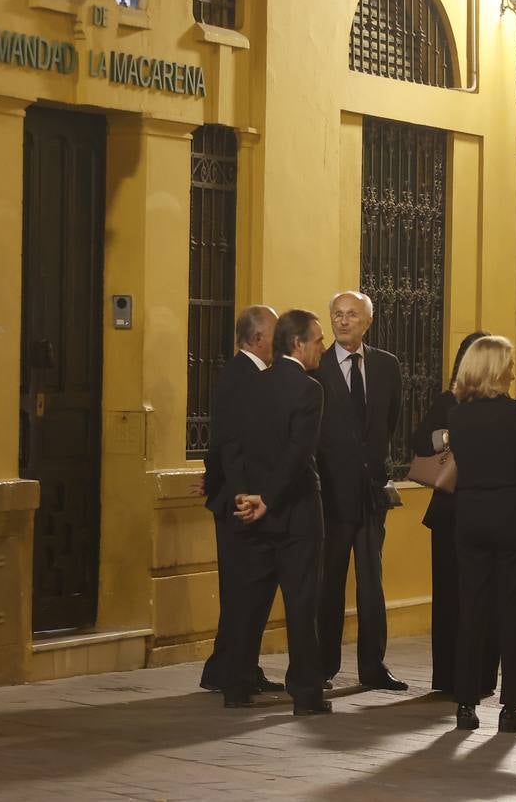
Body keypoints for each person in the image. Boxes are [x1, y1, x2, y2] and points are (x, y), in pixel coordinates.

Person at [222, 309, 331, 716]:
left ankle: (235, 685)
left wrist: (244, 496)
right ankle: (306, 694)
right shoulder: (309, 389)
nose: (323, 346)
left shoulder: (252, 384)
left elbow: (230, 444)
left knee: (249, 602)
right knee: (302, 604)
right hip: (297, 513)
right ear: (298, 344)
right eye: (318, 339)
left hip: (251, 511)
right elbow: (298, 453)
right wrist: (268, 497)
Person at [315, 291, 406, 690]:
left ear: (367, 321)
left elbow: (390, 422)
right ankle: (322, 667)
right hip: (331, 496)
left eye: (352, 315)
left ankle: (373, 666)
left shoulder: (387, 365)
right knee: (329, 583)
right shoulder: (315, 366)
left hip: (371, 494)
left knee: (372, 582)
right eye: (337, 314)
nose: (343, 321)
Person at [448, 336, 516, 734]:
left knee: (472, 608)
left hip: (469, 516)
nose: (514, 368)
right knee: (514, 611)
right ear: (499, 369)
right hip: (513, 516)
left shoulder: (458, 416)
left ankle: (465, 704)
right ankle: (511, 708)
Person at [197, 306, 284, 697]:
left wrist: (213, 480)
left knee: (240, 591)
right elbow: (229, 441)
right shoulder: (244, 376)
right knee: (243, 592)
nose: (279, 341)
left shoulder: (245, 373)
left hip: (232, 496)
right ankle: (236, 672)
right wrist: (226, 486)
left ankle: (228, 667)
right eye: (275, 333)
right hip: (240, 502)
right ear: (257, 338)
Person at [409, 331, 499, 696]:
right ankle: (447, 676)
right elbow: (418, 441)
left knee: (484, 597)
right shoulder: (449, 401)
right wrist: (448, 435)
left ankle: (481, 677)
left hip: (487, 512)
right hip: (450, 512)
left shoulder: (503, 405)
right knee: (450, 596)